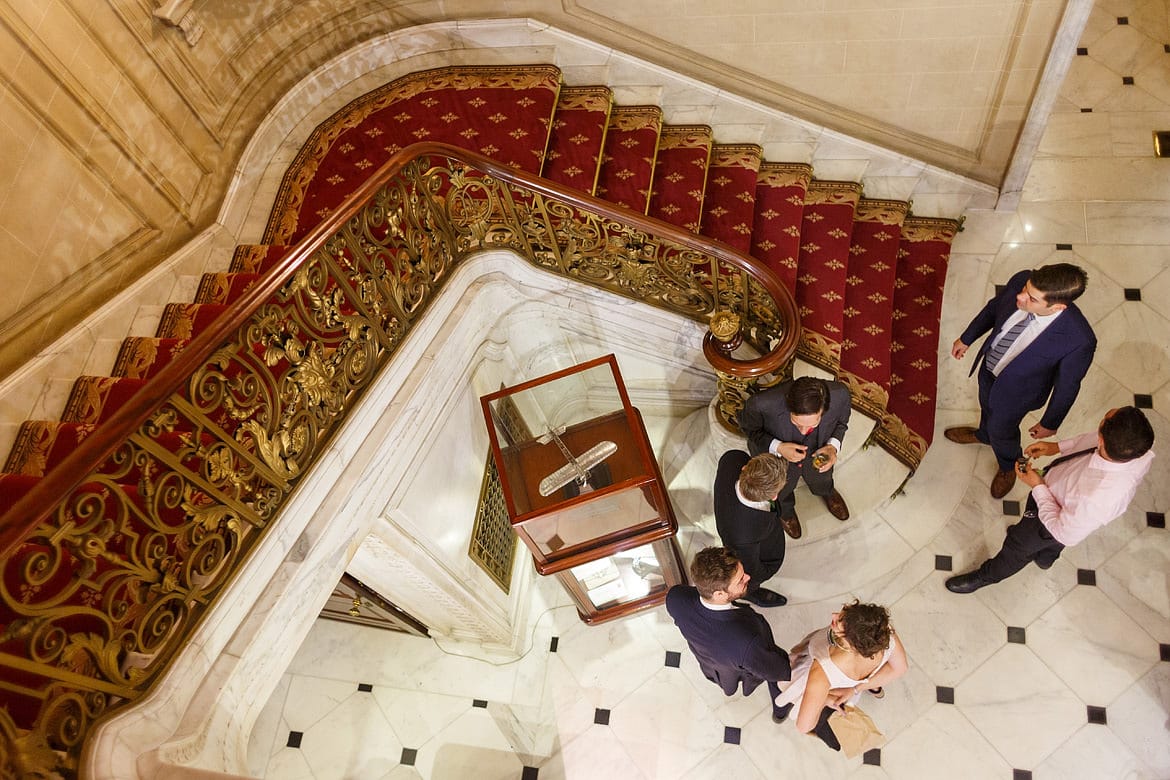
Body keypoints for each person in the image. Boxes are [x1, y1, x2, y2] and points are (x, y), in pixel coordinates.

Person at [946, 406, 1155, 594]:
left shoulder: (1097, 499)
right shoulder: (1135, 450)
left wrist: (1037, 486)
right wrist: (1057, 447)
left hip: (1049, 521)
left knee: (1016, 547)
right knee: (1049, 547)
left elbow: (1063, 532)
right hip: (1061, 505)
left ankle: (987, 576)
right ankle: (1045, 558)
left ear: (1103, 440)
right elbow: (1092, 440)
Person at [945, 263, 1096, 499]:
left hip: (1019, 394)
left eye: (1032, 299)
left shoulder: (1079, 339)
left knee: (1002, 430)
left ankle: (1008, 466)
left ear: (1057, 307)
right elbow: (994, 309)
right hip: (989, 369)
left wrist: (1050, 423)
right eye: (1025, 288)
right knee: (986, 404)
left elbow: (1068, 385)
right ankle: (984, 434)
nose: (1021, 296)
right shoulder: (1022, 279)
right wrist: (967, 338)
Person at [665, 547, 792, 722]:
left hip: (711, 663)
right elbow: (778, 670)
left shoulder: (675, 598)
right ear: (719, 594)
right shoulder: (747, 643)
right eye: (740, 580)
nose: (748, 577)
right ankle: (780, 711)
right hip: (744, 661)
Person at [774, 601, 908, 751]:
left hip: (819, 684)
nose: (834, 615)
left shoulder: (822, 669)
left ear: (851, 645)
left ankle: (779, 711)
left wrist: (824, 699)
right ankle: (874, 688)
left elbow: (803, 726)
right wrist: (856, 689)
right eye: (845, 610)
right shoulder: (881, 632)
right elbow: (900, 668)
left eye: (838, 622)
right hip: (847, 687)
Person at [738, 376, 852, 538]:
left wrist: (833, 447)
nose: (803, 431)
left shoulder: (840, 394)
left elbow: (842, 423)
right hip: (777, 460)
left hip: (818, 451)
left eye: (812, 424)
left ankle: (825, 491)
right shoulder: (761, 404)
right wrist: (778, 446)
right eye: (797, 424)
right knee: (780, 491)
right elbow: (749, 429)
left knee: (822, 477)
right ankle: (786, 512)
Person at [714, 451, 789, 606]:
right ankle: (750, 593)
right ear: (774, 496)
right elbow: (751, 571)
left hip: (734, 514)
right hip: (757, 550)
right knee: (750, 580)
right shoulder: (743, 538)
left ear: (745, 468)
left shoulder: (732, 458)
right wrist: (757, 579)